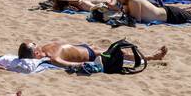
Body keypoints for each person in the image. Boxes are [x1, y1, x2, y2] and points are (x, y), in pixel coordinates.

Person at [16, 39, 169, 66]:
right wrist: (80, 65)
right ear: (36, 54)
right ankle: (150, 57)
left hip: (83, 47)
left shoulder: (44, 48)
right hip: (88, 55)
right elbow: (63, 63)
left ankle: (146, 55)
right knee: (119, 53)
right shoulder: (50, 57)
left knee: (118, 50)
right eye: (34, 45)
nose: (37, 44)